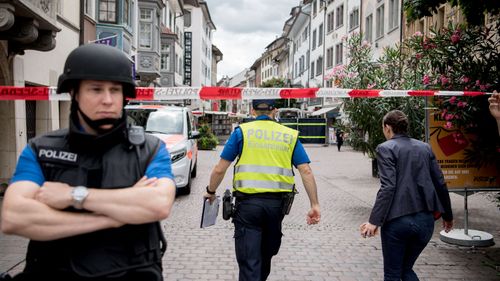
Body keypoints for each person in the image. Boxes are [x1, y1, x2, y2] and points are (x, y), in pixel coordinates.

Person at [0, 44, 176, 280]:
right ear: (74, 93)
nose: (107, 100)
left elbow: (158, 205)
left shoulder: (150, 149)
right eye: (95, 89)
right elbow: (15, 217)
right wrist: (115, 217)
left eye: (115, 90)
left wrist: (74, 196)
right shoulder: (41, 149)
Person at [204, 99, 321, 281]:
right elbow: (305, 170)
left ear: (252, 111)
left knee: (250, 262)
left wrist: (210, 191)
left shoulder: (241, 132)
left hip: (247, 207)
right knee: (266, 256)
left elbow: (220, 169)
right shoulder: (288, 135)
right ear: (275, 111)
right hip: (276, 208)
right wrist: (314, 204)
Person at [360, 110, 453, 281]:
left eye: (383, 127)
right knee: (406, 269)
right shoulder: (425, 148)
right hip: (426, 222)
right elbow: (440, 183)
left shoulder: (386, 148)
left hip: (398, 222)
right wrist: (448, 216)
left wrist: (374, 221)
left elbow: (388, 187)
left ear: (387, 127)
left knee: (393, 273)